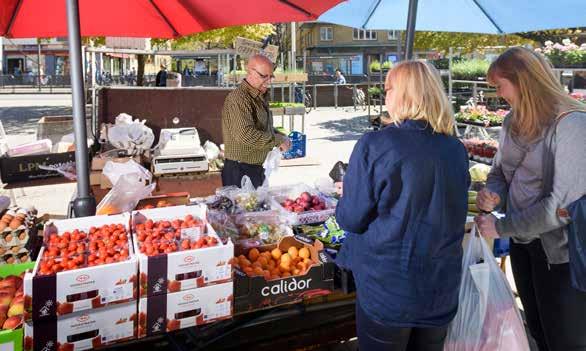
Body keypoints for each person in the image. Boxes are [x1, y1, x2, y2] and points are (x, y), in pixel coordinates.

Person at [335, 60, 470, 351]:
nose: (385, 97)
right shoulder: (455, 149)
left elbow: (351, 218)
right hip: (439, 288)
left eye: (388, 89)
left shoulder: (375, 145)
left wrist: (349, 190)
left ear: (406, 94)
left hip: (388, 289)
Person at [475, 47, 586, 351]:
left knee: (565, 338)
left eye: (500, 86)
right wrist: (494, 192)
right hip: (524, 243)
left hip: (560, 253)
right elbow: (500, 170)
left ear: (523, 81)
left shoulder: (572, 124)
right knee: (536, 328)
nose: (498, 94)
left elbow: (559, 209)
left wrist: (501, 228)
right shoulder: (513, 121)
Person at [221, 54, 291, 188]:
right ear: (250, 72)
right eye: (264, 76)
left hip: (255, 168)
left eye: (271, 76)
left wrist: (280, 136)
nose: (269, 81)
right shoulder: (239, 98)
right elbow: (246, 134)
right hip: (240, 170)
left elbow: (261, 127)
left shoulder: (259, 95)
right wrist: (278, 140)